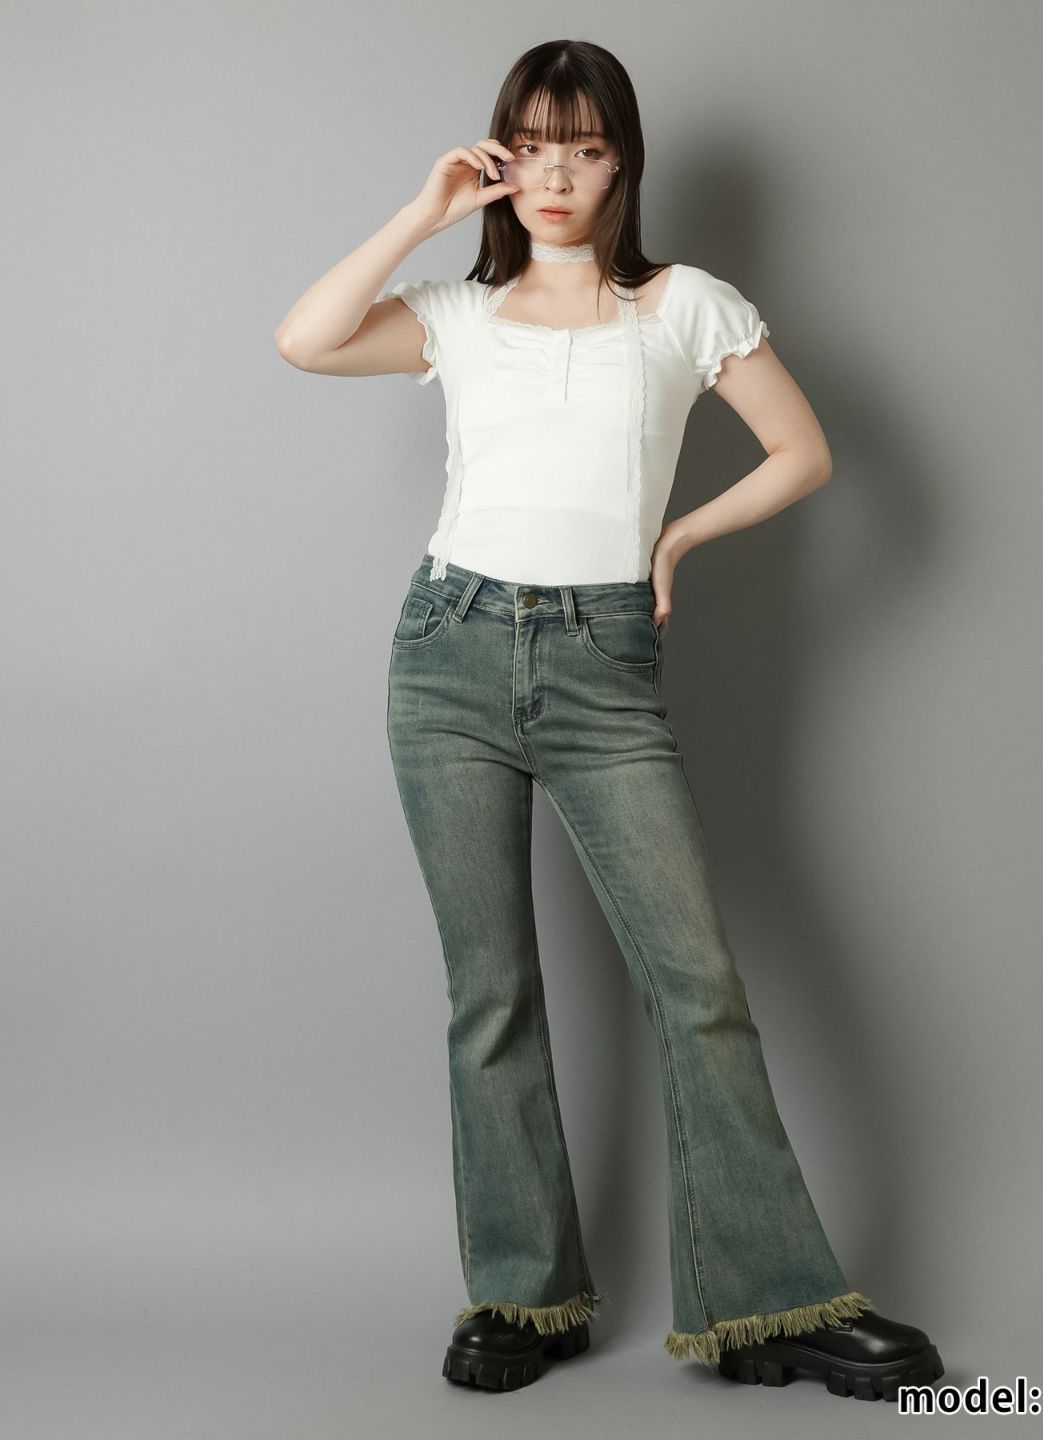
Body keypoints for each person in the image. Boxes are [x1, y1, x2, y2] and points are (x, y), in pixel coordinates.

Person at [275, 38, 943, 1400]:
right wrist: (423, 211)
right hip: (448, 655)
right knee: (491, 992)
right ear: (499, 160)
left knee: (698, 987)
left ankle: (769, 1304)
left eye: (584, 149)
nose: (556, 176)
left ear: (624, 164)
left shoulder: (685, 306)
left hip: (602, 664)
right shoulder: (456, 314)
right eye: (531, 147)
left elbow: (806, 451)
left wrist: (681, 536)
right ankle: (524, 1299)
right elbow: (305, 338)